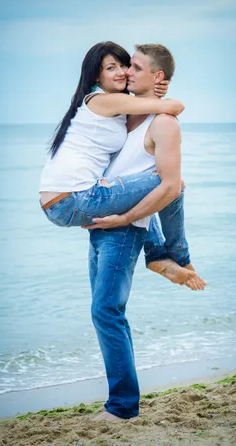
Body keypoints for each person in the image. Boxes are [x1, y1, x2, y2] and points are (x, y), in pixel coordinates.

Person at [87, 44, 206, 423]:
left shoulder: (162, 123)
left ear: (157, 78)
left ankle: (122, 407)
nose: (126, 72)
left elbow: (170, 187)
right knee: (105, 312)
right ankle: (161, 255)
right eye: (124, 66)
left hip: (124, 229)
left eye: (135, 67)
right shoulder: (127, 113)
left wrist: (125, 221)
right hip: (103, 227)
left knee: (107, 312)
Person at [39, 41, 203, 288]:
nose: (123, 72)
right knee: (171, 183)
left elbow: (143, 108)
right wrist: (159, 89)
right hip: (73, 198)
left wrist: (154, 87)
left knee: (149, 185)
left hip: (59, 200)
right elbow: (175, 106)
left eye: (127, 66)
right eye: (111, 68)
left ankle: (158, 255)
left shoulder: (116, 110)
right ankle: (175, 257)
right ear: (97, 75)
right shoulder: (104, 101)